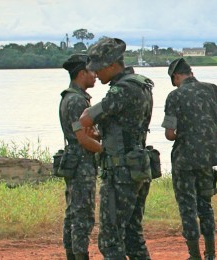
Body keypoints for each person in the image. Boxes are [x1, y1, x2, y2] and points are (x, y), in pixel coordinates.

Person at [77, 37, 155, 260]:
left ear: (112, 65)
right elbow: (129, 128)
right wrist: (103, 134)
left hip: (121, 172)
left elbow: (85, 118)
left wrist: (88, 125)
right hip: (137, 166)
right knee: (132, 235)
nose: (96, 74)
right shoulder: (141, 84)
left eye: (99, 69)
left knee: (110, 240)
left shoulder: (121, 90)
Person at [162, 58, 217, 260]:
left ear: (176, 76)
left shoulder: (174, 96)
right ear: (190, 72)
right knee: (205, 206)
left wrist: (189, 134)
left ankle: (195, 256)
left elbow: (169, 134)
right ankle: (211, 254)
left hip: (184, 159)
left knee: (187, 208)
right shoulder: (213, 89)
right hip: (207, 158)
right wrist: (205, 134)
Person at [58, 54, 98, 260]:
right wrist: (105, 150)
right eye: (92, 71)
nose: (96, 76)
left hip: (75, 160)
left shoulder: (70, 96)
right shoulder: (76, 100)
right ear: (81, 73)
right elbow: (83, 138)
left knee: (73, 212)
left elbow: (86, 133)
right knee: (82, 214)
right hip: (82, 162)